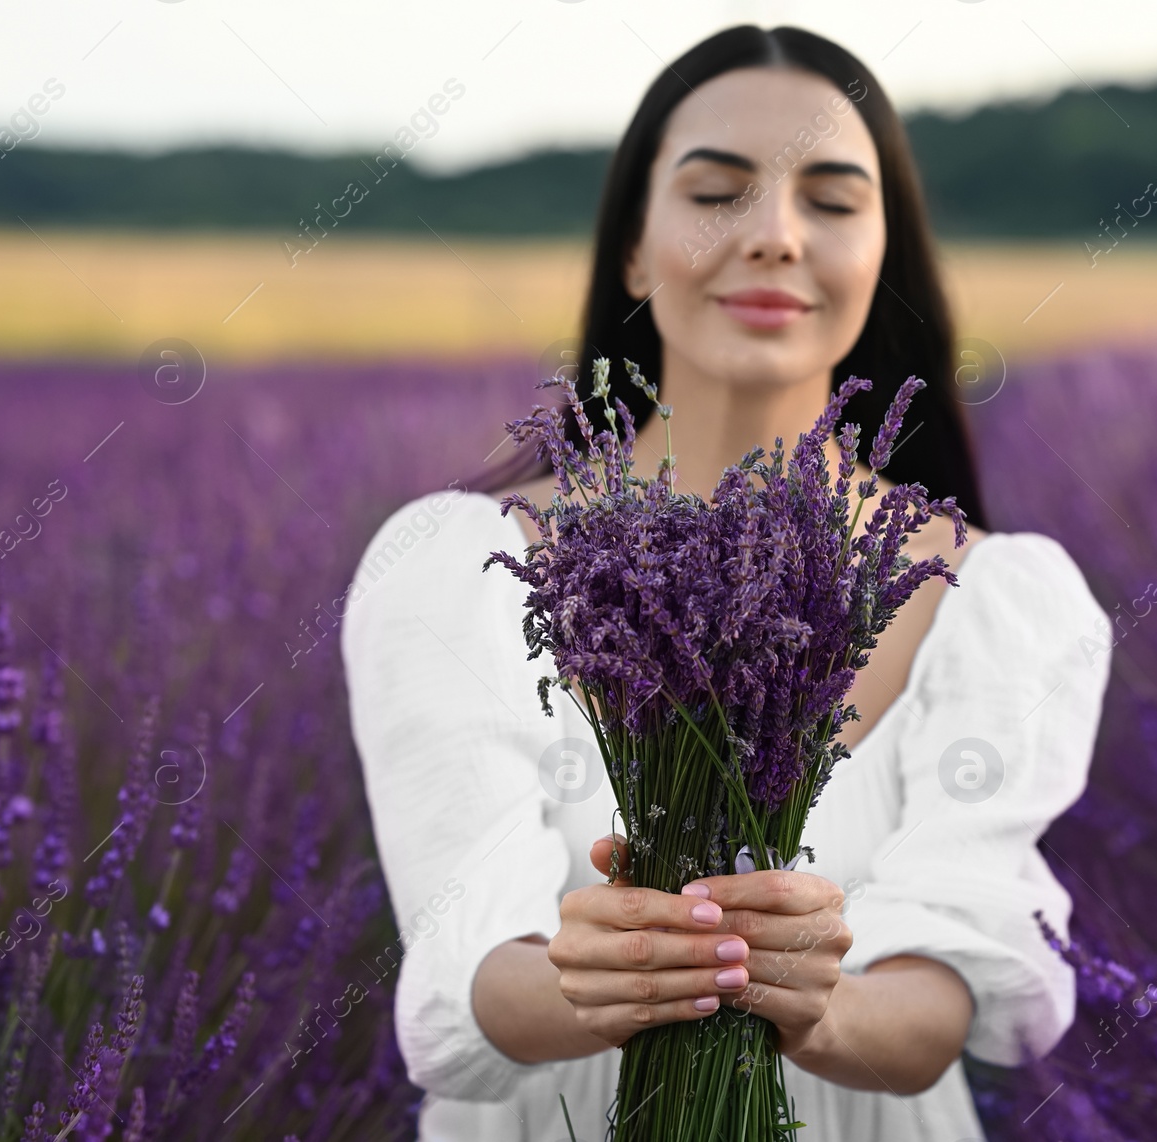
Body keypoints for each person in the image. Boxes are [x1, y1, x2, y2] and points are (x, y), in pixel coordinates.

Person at [341, 24, 1111, 1142]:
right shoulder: (455, 569)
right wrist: (598, 977)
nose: (775, 235)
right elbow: (461, 965)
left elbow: (949, 988)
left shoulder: (995, 600)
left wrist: (819, 1002)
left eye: (834, 201)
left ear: (882, 254)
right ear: (635, 251)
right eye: (715, 193)